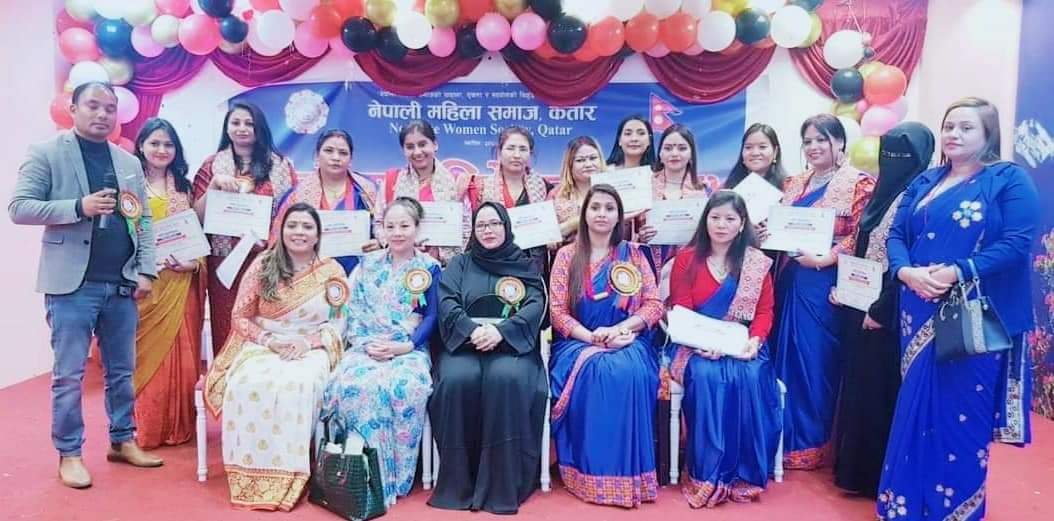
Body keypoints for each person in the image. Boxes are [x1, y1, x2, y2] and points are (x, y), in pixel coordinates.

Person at [877, 98, 1037, 520]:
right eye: (949, 126)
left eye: (966, 128)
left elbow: (1017, 244)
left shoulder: (1008, 180)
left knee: (961, 414)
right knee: (915, 408)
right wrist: (905, 272)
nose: (954, 135)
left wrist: (956, 271)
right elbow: (896, 235)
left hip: (972, 315)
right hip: (917, 307)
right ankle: (905, 507)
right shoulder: (926, 180)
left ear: (988, 133)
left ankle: (957, 510)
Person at [9, 81, 162, 488]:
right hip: (71, 287)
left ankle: (122, 440)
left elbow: (142, 218)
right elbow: (20, 208)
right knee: (69, 375)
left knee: (122, 372)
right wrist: (79, 207)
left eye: (109, 108)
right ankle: (70, 453)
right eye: (93, 106)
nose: (102, 114)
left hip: (122, 284)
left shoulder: (127, 161)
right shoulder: (46, 152)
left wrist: (146, 270)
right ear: (73, 108)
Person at [203, 202, 346, 511]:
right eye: (292, 225)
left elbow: (340, 322)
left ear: (318, 234)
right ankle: (250, 472)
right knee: (246, 383)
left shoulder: (331, 270)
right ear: (281, 230)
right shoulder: (263, 265)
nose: (299, 232)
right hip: (264, 343)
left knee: (298, 383)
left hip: (312, 346)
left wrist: (308, 343)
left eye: (307, 226)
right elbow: (239, 317)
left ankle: (293, 473)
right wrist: (270, 341)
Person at [832, 122, 935, 498]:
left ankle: (878, 477)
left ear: (922, 157)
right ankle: (855, 473)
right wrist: (844, 289)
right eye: (888, 152)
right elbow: (861, 246)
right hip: (858, 304)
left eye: (904, 154)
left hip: (889, 313)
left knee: (882, 391)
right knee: (860, 388)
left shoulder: (921, 199)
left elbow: (908, 260)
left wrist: (881, 309)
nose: (894, 160)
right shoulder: (881, 191)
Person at [548, 184, 664, 508]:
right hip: (577, 342)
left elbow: (654, 304)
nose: (602, 214)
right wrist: (593, 337)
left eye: (609, 208)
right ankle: (588, 472)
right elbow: (557, 312)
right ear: (584, 213)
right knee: (598, 370)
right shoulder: (567, 256)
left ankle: (628, 475)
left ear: (619, 216)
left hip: (629, 339)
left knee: (627, 372)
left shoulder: (634, 254)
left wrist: (619, 330)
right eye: (595, 207)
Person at [771, 114, 875, 471]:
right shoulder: (794, 183)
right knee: (785, 356)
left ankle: (812, 443)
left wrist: (825, 259)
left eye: (822, 139)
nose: (814, 147)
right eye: (808, 141)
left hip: (826, 282)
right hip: (789, 277)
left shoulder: (859, 184)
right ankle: (783, 438)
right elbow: (780, 227)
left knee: (815, 360)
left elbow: (861, 234)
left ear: (840, 142)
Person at [430, 202, 548, 514]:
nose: (488, 230)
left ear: (506, 226)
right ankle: (459, 485)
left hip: (510, 346)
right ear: (473, 230)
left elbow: (535, 304)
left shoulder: (524, 265)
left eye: (495, 223)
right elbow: (447, 302)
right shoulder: (459, 264)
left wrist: (502, 332)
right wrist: (472, 331)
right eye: (481, 225)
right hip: (466, 345)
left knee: (505, 379)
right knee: (457, 380)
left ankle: (502, 486)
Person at [321, 197, 440, 507]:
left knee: (405, 386)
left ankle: (395, 475)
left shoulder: (429, 268)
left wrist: (406, 346)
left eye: (405, 226)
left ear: (417, 228)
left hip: (409, 349)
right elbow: (353, 311)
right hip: (367, 346)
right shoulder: (366, 265)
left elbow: (432, 316)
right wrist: (367, 345)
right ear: (381, 229)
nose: (397, 232)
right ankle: (356, 472)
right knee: (353, 384)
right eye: (391, 226)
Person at [668, 190, 780, 508]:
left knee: (751, 376)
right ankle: (708, 473)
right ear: (705, 220)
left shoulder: (755, 264)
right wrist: (703, 342)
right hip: (695, 345)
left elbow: (764, 312)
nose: (721, 225)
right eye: (715, 217)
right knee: (709, 377)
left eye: (730, 218)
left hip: (741, 343)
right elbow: (681, 308)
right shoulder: (686, 259)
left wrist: (754, 341)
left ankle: (745, 473)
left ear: (742, 224)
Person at [193, 102, 296, 353]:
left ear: (260, 128)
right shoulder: (212, 165)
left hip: (267, 260)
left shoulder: (280, 166)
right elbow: (196, 216)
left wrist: (271, 241)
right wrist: (214, 186)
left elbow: (292, 212)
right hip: (224, 262)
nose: (242, 128)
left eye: (249, 123)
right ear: (227, 128)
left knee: (265, 325)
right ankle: (225, 376)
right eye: (236, 122)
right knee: (226, 323)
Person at [131, 118, 206, 449]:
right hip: (143, 284)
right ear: (141, 146)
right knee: (143, 356)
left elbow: (197, 236)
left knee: (182, 355)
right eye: (155, 143)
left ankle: (178, 425)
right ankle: (146, 426)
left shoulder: (185, 188)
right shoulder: (128, 187)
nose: (162, 150)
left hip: (179, 283)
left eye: (168, 144)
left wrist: (193, 264)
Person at [273, 129, 377, 274]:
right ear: (317, 155)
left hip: (359, 273)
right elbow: (277, 239)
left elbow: (385, 230)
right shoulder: (297, 195)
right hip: (309, 273)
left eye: (343, 153)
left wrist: (379, 243)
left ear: (351, 159)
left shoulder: (367, 191)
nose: (336, 157)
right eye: (329, 151)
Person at [373, 119, 466, 265]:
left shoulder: (456, 182)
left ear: (435, 144)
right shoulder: (392, 181)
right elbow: (379, 222)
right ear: (403, 150)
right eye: (410, 147)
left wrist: (443, 255)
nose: (417, 152)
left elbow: (465, 226)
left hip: (444, 268)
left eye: (422, 144)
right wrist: (399, 245)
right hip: (400, 264)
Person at [466, 126, 551, 273]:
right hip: (492, 264)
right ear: (499, 152)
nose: (517, 155)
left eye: (523, 149)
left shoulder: (543, 187)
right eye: (510, 148)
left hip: (532, 266)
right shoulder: (481, 188)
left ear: (530, 154)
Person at [636, 124, 714, 273]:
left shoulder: (704, 191)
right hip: (646, 265)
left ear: (691, 154)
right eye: (668, 148)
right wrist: (640, 236)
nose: (674, 153)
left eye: (682, 148)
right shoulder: (644, 186)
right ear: (660, 153)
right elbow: (627, 230)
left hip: (689, 266)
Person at [549, 136, 605, 247]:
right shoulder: (556, 195)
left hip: (612, 256)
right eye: (580, 160)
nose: (588, 164)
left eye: (593, 158)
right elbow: (548, 235)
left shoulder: (615, 189)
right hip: (568, 256)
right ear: (570, 164)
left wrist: (570, 225)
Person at [722, 123, 787, 190]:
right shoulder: (727, 187)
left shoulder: (789, 187)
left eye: (762, 147)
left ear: (775, 151)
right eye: (748, 147)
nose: (755, 153)